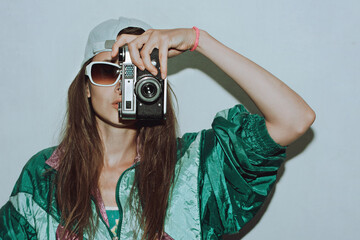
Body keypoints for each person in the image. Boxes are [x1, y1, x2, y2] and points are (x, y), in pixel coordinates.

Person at [0, 17, 315, 240]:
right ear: (86, 86)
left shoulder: (196, 168)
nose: (123, 87)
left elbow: (294, 119)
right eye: (108, 72)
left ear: (155, 86)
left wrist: (198, 40)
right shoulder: (42, 177)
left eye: (136, 74)